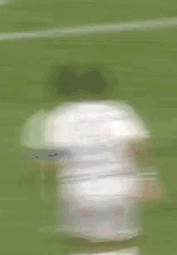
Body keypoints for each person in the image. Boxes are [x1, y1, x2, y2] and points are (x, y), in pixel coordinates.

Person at [25, 65, 163, 255]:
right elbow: (137, 144)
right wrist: (149, 178)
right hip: (121, 187)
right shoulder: (120, 111)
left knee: (84, 243)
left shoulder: (61, 116)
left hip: (80, 191)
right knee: (125, 239)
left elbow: (56, 159)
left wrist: (35, 157)